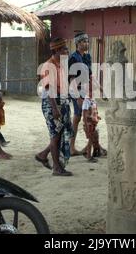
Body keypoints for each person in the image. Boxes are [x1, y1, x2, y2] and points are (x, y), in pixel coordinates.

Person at [35, 38, 73, 176]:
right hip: (52, 103)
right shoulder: (48, 66)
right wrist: (55, 108)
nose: (67, 51)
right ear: (57, 50)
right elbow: (49, 88)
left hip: (61, 101)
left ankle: (43, 155)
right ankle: (56, 168)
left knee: (61, 132)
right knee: (55, 134)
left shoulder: (61, 65)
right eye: (64, 49)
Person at [68, 32, 92, 156]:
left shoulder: (87, 57)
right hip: (76, 91)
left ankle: (85, 146)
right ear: (78, 43)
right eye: (83, 41)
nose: (86, 43)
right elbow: (71, 80)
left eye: (87, 41)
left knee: (82, 118)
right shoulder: (73, 58)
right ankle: (74, 147)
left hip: (85, 90)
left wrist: (100, 88)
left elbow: (90, 76)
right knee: (82, 118)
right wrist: (77, 97)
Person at [82, 83, 106, 163]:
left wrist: (97, 117)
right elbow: (84, 114)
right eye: (90, 91)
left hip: (93, 124)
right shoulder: (86, 101)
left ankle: (86, 152)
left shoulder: (93, 100)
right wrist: (86, 124)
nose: (93, 93)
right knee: (91, 140)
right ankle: (89, 156)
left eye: (93, 91)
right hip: (89, 124)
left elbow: (93, 112)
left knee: (94, 139)